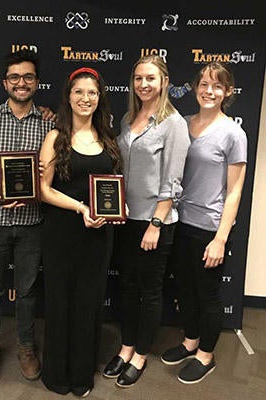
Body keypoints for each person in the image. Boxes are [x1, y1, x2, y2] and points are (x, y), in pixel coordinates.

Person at [0, 49, 55, 388]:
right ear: (5, 82)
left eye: (28, 77)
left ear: (36, 82)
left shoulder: (49, 121)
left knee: (28, 292)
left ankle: (26, 347)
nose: (21, 83)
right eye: (15, 77)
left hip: (33, 222)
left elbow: (57, 170)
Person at [102, 55, 190, 387]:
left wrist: (156, 223)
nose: (144, 84)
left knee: (149, 291)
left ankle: (140, 355)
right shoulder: (128, 118)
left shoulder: (174, 123)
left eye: (150, 78)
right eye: (138, 78)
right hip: (126, 218)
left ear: (164, 81)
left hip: (156, 221)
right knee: (126, 286)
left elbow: (173, 182)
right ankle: (125, 347)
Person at [160, 62, 247, 384]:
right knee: (185, 288)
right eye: (204, 85)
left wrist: (221, 238)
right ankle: (190, 341)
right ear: (195, 88)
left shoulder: (233, 133)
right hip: (180, 221)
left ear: (227, 92)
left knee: (207, 294)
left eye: (217, 86)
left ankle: (206, 356)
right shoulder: (183, 124)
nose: (209, 91)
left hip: (210, 227)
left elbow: (235, 190)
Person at [39, 67, 123, 397]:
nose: (85, 98)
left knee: (89, 303)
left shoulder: (108, 139)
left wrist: (119, 209)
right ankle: (57, 375)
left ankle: (81, 375)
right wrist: (81, 208)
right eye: (79, 92)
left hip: (98, 236)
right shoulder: (55, 137)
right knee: (60, 301)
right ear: (69, 97)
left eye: (92, 92)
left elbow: (115, 188)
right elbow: (43, 189)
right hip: (62, 234)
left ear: (99, 97)